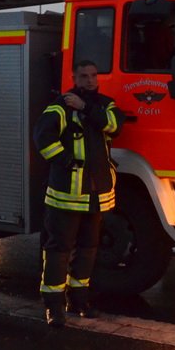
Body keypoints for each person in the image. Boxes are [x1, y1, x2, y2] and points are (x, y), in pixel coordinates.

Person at [33, 59, 124, 327]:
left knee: (88, 250)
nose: (90, 80)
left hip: (96, 197)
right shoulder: (60, 107)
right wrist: (65, 161)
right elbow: (42, 137)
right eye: (83, 76)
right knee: (58, 251)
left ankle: (79, 301)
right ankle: (54, 308)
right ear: (74, 77)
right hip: (65, 196)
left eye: (94, 75)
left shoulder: (104, 105)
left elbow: (114, 126)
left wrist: (84, 107)